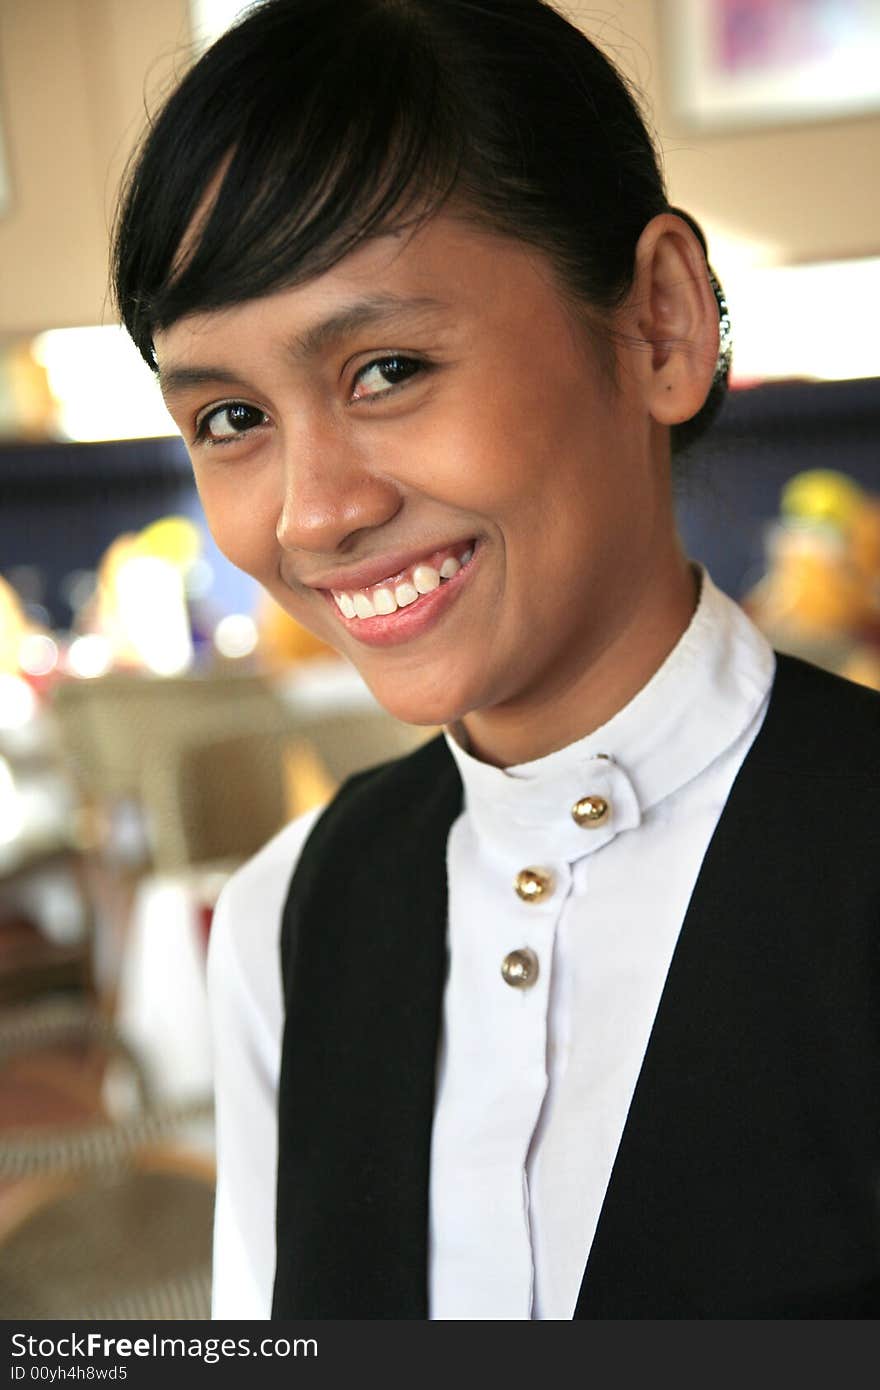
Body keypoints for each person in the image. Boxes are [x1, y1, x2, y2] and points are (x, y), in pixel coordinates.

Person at [111, 0, 879, 1319]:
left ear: (659, 325)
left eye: (388, 368)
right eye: (230, 415)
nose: (313, 512)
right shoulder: (285, 924)